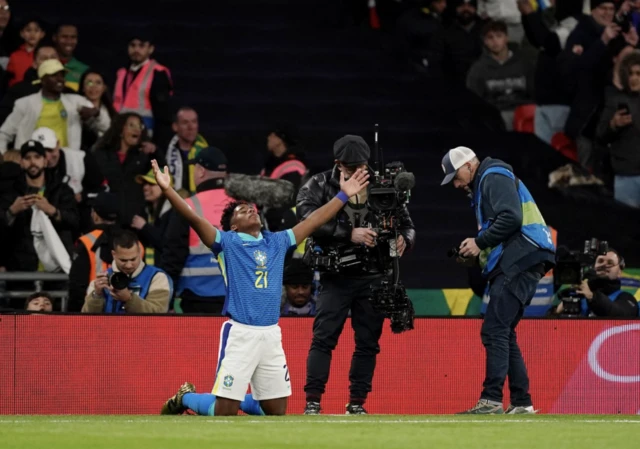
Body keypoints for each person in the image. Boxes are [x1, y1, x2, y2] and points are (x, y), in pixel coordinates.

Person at [151, 156, 370, 416]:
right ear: (233, 226)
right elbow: (193, 218)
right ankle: (187, 398)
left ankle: (234, 398)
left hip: (270, 334)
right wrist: (168, 190)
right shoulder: (226, 243)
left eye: (252, 207)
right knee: (224, 412)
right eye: (242, 211)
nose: (251, 209)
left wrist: (343, 196)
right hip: (240, 333)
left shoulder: (276, 241)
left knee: (275, 412)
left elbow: (313, 222)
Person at [297, 135, 416, 415]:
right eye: (351, 168)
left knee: (368, 343)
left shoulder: (382, 183)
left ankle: (357, 403)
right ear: (338, 164)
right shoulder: (319, 184)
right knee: (324, 338)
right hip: (335, 276)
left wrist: (404, 240)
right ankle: (313, 401)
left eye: (361, 166)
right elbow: (306, 219)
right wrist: (348, 234)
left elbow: (407, 223)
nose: (358, 171)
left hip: (373, 275)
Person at [440, 146, 556, 415]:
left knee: (494, 329)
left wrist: (479, 242)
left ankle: (491, 400)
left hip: (522, 255)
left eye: (456, 177)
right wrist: (477, 253)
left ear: (469, 165)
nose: (456, 184)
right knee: (503, 331)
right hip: (528, 255)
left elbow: (511, 218)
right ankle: (521, 402)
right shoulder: (489, 181)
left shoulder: (492, 176)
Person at [161, 382, 264, 416]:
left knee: (276, 409)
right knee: (224, 410)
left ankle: (235, 400)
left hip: (270, 334)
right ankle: (185, 397)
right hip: (242, 335)